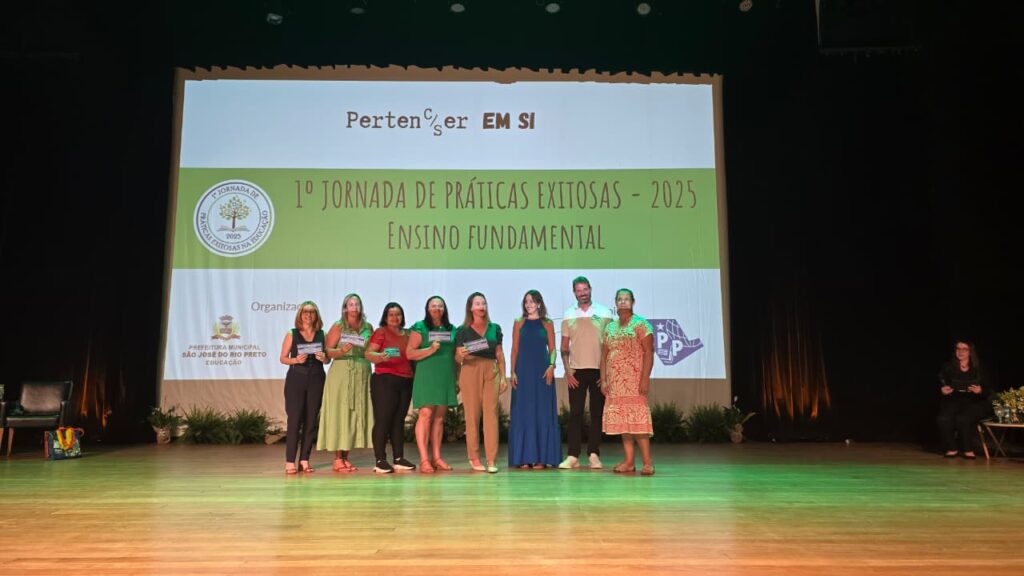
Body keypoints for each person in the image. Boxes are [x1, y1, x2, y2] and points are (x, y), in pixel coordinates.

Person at [559, 276, 613, 469]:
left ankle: (593, 454)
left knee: (597, 414)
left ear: (590, 289)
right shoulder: (568, 314)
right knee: (575, 414)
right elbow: (564, 346)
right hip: (576, 371)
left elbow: (611, 345)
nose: (582, 293)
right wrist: (568, 370)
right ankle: (573, 456)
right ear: (574, 292)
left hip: (599, 371)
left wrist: (607, 373)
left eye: (585, 289)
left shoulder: (605, 312)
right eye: (579, 290)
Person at [600, 288, 655, 475]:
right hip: (616, 384)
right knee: (624, 423)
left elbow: (649, 353)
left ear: (633, 302)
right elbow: (604, 355)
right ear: (615, 303)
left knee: (638, 422)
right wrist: (603, 379)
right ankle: (629, 461)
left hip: (634, 382)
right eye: (620, 299)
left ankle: (647, 462)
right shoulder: (610, 328)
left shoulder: (641, 325)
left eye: (626, 299)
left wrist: (645, 379)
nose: (623, 301)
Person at [318, 294, 374, 472]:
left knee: (355, 414)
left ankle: (346, 457)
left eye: (357, 304)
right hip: (341, 373)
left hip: (362, 372)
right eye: (351, 304)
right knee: (341, 414)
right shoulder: (338, 326)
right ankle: (337, 458)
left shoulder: (368, 327)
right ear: (345, 308)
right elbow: (328, 352)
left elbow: (371, 350)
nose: (354, 307)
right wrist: (342, 350)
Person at [454, 292, 508, 473]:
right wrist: (460, 355)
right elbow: (457, 357)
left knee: (491, 415)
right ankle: (474, 457)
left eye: (483, 303)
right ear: (470, 308)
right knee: (472, 416)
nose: (481, 306)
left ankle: (491, 459)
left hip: (491, 370)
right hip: (470, 369)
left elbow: (499, 354)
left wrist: (503, 376)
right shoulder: (462, 330)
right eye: (477, 303)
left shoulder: (495, 328)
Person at [508, 290, 561, 469]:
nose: (529, 304)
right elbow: (514, 349)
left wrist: (552, 365)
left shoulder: (547, 323)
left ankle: (541, 458)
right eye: (526, 302)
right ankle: (523, 457)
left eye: (532, 301)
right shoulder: (518, 322)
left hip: (542, 373)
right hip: (523, 372)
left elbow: (552, 349)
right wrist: (512, 371)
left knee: (542, 412)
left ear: (539, 304)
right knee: (523, 412)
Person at [406, 296, 458, 473]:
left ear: (445, 309)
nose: (437, 308)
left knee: (439, 418)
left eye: (440, 305)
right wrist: (430, 349)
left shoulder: (452, 329)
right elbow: (410, 353)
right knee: (426, 414)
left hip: (445, 376)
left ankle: (437, 457)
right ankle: (424, 459)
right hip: (426, 376)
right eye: (433, 305)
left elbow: (455, 356)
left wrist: (458, 377)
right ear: (427, 309)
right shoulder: (420, 327)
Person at [279, 301, 330, 474]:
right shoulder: (292, 333)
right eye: (305, 312)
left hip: (316, 379)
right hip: (296, 379)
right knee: (294, 420)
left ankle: (304, 460)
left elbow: (328, 359)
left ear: (316, 315)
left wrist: (324, 358)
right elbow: (283, 358)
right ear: (300, 315)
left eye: (312, 312)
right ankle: (290, 461)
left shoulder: (323, 334)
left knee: (311, 420)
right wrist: (295, 360)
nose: (308, 315)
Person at [366, 302, 416, 474]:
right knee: (383, 420)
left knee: (398, 420)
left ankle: (398, 458)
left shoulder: (408, 334)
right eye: (391, 315)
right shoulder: (381, 332)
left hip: (406, 380)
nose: (395, 318)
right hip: (384, 380)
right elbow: (368, 353)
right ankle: (380, 460)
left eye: (398, 314)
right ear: (385, 317)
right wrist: (380, 356)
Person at [936, 340, 990, 459]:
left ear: (970, 352)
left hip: (975, 401)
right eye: (958, 349)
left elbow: (988, 389)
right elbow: (940, 383)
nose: (960, 352)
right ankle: (952, 448)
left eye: (964, 349)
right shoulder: (948, 367)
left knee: (963, 418)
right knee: (943, 418)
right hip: (954, 399)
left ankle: (967, 449)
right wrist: (943, 390)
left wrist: (980, 390)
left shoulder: (978, 368)